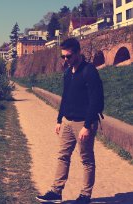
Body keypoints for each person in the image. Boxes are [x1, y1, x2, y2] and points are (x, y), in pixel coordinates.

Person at [36, 38, 104, 204]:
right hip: (67, 120)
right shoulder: (67, 73)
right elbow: (65, 98)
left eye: (69, 56)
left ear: (78, 52)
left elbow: (96, 100)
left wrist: (87, 126)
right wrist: (59, 119)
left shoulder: (89, 71)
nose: (65, 60)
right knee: (63, 156)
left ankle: (85, 195)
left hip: (83, 123)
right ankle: (56, 192)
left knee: (86, 160)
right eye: (63, 57)